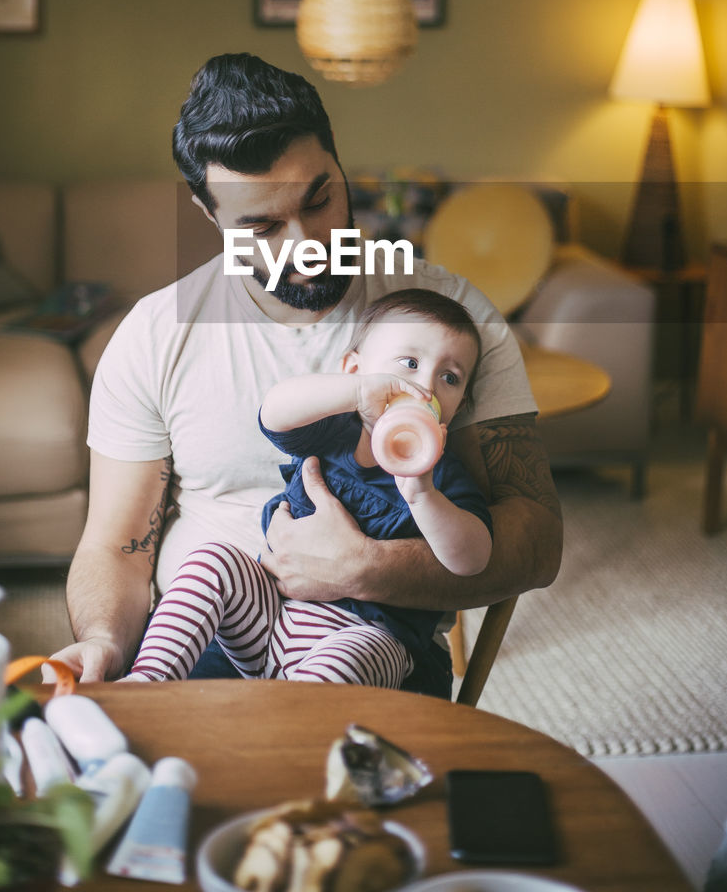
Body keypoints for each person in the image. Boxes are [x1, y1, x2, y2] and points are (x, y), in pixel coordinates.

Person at [49, 53, 563, 695]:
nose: (306, 243)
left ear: (341, 165)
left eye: (320, 199)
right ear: (211, 217)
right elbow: (116, 547)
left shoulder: (447, 326)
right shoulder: (157, 335)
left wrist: (368, 569)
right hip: (217, 643)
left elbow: (537, 542)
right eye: (262, 225)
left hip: (374, 652)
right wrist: (102, 641)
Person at [121, 289, 491, 687]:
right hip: (270, 619)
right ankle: (148, 681)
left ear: (458, 405)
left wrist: (424, 495)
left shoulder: (441, 476)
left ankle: (290, 727)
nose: (426, 386)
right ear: (354, 371)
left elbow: (472, 559)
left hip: (368, 637)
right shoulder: (333, 432)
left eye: (449, 377)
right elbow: (274, 413)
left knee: (358, 654)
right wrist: (357, 394)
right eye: (410, 363)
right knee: (212, 561)